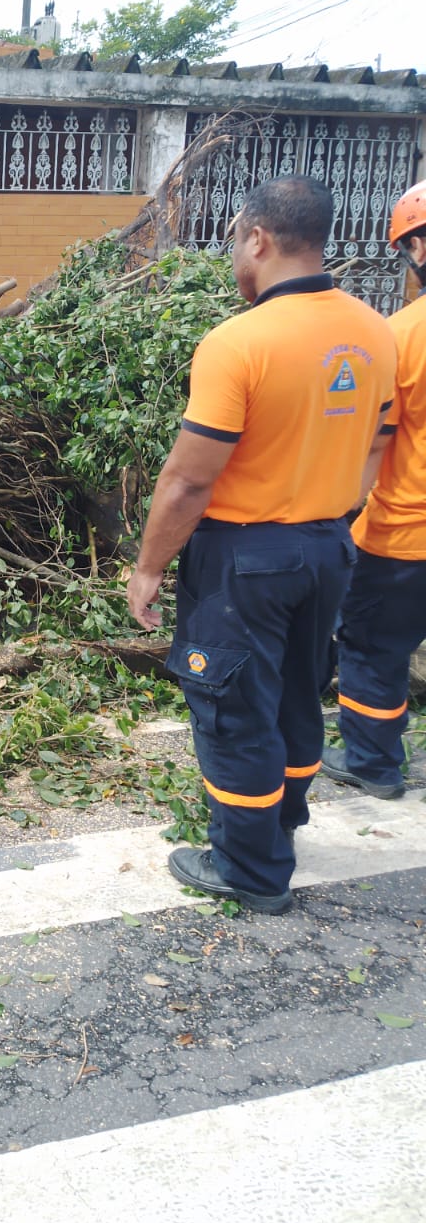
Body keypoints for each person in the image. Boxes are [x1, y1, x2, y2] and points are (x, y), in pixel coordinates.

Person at [127, 176, 396, 913]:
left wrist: (149, 568)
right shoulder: (375, 330)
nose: (234, 259)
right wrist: (330, 511)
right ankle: (281, 827)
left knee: (235, 710)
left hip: (246, 562)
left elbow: (187, 481)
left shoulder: (239, 342)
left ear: (258, 238)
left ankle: (249, 870)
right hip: (330, 549)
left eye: (234, 242)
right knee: (297, 702)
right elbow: (377, 445)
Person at [321, 180, 426, 801]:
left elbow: (373, 439)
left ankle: (372, 762)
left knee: (370, 646)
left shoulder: (402, 336)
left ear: (417, 243)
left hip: (405, 533)